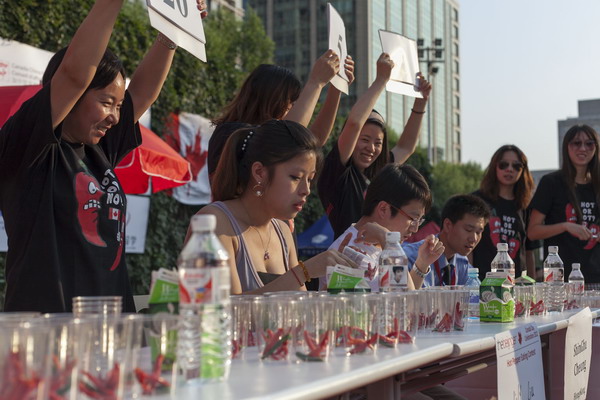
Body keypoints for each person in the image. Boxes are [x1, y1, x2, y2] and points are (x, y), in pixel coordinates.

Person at [0, 0, 207, 312]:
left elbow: (144, 93)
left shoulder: (100, 149)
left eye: (119, 106)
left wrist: (174, 29)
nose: (115, 116)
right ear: (72, 96)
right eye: (107, 102)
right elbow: (73, 74)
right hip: (49, 334)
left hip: (111, 329)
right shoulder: (29, 146)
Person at [195, 119, 356, 294]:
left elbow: (297, 311)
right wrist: (304, 272)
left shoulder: (282, 230)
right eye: (295, 177)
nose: (306, 190)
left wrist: (332, 287)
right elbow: (224, 310)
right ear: (259, 172)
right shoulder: (214, 221)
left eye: (309, 179)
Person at [318, 53, 432, 238]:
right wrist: (381, 80)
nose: (371, 148)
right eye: (364, 140)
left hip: (376, 257)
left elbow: (406, 147)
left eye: (378, 143)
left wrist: (421, 102)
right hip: (348, 259)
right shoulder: (338, 173)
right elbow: (354, 123)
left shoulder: (378, 174)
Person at [207, 51, 354, 178]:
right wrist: (316, 82)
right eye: (290, 101)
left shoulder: (264, 136)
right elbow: (290, 138)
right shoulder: (231, 133)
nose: (293, 107)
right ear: (272, 98)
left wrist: (336, 89)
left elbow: (314, 138)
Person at [325, 164, 444, 291]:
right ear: (383, 209)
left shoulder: (382, 246)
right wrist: (387, 239)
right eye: (413, 219)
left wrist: (422, 263)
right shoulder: (350, 251)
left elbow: (402, 294)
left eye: (420, 221)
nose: (415, 229)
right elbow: (405, 301)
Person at [528, 124, 600, 282]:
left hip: (596, 279)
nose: (583, 148)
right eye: (576, 143)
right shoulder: (551, 182)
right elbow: (532, 231)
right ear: (566, 147)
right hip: (560, 281)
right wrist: (565, 226)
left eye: (589, 143)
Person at [471, 145, 540, 281]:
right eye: (503, 165)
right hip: (484, 284)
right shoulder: (477, 200)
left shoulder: (526, 206)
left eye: (516, 166)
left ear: (523, 171)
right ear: (494, 167)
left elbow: (529, 251)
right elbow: (468, 247)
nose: (509, 169)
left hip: (516, 285)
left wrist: (532, 288)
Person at [403, 194, 491, 287]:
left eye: (478, 232)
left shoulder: (462, 263)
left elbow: (480, 295)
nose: (474, 238)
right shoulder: (409, 257)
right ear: (448, 225)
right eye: (468, 230)